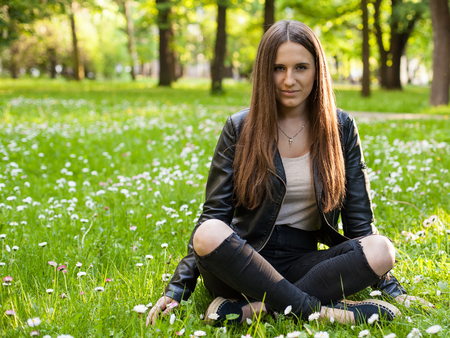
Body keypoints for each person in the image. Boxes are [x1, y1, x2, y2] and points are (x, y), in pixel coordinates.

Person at [147, 20, 419, 327]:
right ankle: (323, 312)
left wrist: (391, 287)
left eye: (300, 67)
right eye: (279, 68)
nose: (289, 80)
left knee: (382, 249)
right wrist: (177, 289)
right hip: (243, 263)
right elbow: (214, 214)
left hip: (304, 264)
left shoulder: (341, 129)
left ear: (317, 70)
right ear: (265, 71)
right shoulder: (239, 127)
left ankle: (252, 310)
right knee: (208, 232)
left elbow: (359, 222)